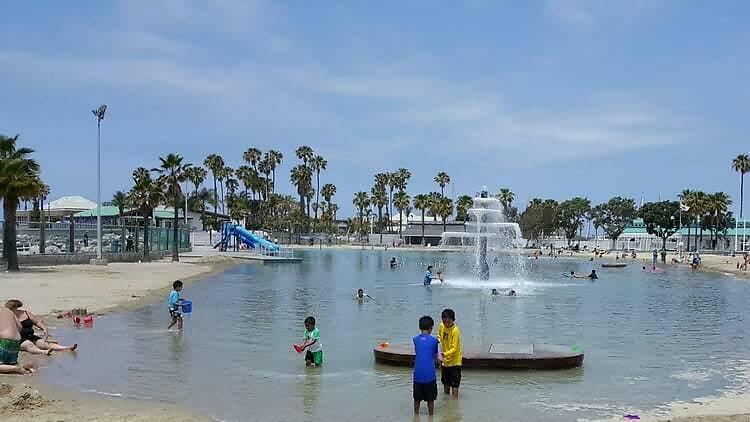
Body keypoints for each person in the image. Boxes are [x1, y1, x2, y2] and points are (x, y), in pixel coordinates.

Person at [5, 300, 77, 355]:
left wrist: (44, 329)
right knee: (28, 345)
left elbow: (37, 322)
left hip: (30, 336)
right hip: (17, 340)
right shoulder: (7, 317)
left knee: (43, 343)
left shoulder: (25, 313)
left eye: (10, 309)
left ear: (16, 308)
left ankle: (66, 348)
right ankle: (43, 352)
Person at [413, 316, 439, 416]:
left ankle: (416, 416)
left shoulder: (415, 340)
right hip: (430, 376)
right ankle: (431, 417)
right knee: (430, 400)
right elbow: (436, 356)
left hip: (417, 376)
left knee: (417, 399)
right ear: (431, 328)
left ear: (420, 327)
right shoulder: (434, 340)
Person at [0, 302, 33, 374]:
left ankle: (17, 368)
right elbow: (20, 327)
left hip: (5, 341)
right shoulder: (10, 312)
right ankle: (26, 367)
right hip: (17, 341)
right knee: (10, 363)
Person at [438, 308, 462, 399]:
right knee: (445, 383)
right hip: (445, 361)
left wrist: (444, 354)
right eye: (444, 321)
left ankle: (455, 404)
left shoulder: (455, 331)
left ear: (453, 320)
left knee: (455, 385)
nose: (446, 323)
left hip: (455, 362)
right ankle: (447, 403)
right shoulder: (441, 326)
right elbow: (439, 337)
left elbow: (454, 348)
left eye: (448, 322)